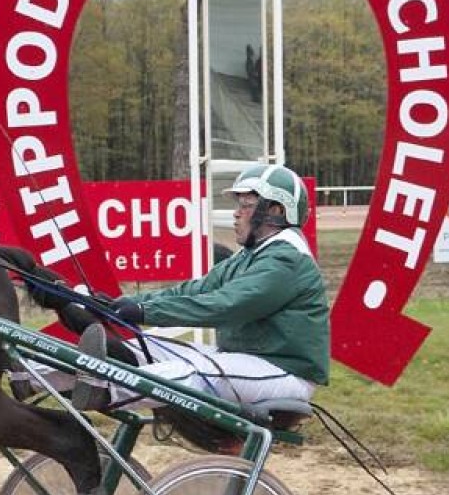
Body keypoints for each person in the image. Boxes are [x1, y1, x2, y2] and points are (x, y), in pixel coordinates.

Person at [68, 163, 329, 413]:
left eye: (247, 206)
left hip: (283, 371)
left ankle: (104, 388)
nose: (236, 213)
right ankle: (32, 377)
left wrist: (144, 312)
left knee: (195, 371)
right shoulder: (253, 253)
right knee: (142, 346)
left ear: (276, 212)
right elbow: (196, 290)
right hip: (246, 360)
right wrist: (124, 304)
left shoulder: (287, 259)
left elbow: (226, 305)